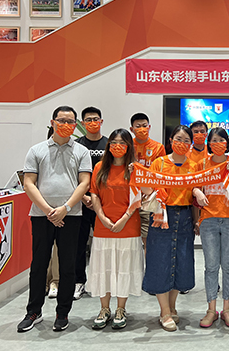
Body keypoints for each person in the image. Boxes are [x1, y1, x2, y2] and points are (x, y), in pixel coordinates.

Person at [17, 106, 92, 333]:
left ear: (75, 125)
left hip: (71, 216)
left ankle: (62, 313)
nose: (66, 125)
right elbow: (28, 183)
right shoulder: (36, 150)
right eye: (62, 121)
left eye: (71, 122)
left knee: (68, 266)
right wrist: (50, 210)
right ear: (53, 122)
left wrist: (65, 209)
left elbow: (84, 183)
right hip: (41, 216)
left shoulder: (81, 151)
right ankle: (34, 311)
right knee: (39, 264)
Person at [141, 125, 199, 332]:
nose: (182, 143)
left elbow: (194, 195)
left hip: (185, 217)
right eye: (178, 139)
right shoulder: (159, 163)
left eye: (186, 140)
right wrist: (137, 176)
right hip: (161, 216)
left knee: (180, 261)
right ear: (171, 140)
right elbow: (147, 189)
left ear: (191, 143)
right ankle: (164, 311)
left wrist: (196, 220)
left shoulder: (194, 166)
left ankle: (172, 306)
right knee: (160, 261)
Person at [86, 129, 143, 330]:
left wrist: (124, 219)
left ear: (129, 147)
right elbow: (94, 194)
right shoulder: (100, 167)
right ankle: (104, 309)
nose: (117, 146)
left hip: (128, 227)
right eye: (114, 142)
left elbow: (138, 198)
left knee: (123, 269)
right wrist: (102, 217)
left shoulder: (134, 169)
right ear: (108, 145)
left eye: (122, 143)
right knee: (104, 268)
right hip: (103, 227)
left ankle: (120, 309)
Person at [193, 127, 229, 328]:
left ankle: (227, 309)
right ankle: (211, 310)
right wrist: (197, 191)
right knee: (211, 266)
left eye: (221, 140)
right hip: (209, 220)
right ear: (209, 143)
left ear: (227, 143)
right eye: (214, 140)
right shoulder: (202, 163)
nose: (217, 144)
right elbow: (194, 185)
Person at [74, 107, 108, 300]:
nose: (92, 122)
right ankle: (79, 281)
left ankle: (104, 283)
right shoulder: (77, 145)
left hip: (103, 204)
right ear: (82, 123)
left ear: (101, 121)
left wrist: (97, 198)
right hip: (81, 203)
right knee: (79, 244)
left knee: (104, 245)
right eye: (88, 120)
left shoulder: (109, 144)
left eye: (96, 119)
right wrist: (83, 197)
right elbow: (72, 174)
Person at [129, 113, 166, 247]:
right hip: (129, 197)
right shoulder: (127, 146)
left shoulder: (158, 147)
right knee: (130, 236)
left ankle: (146, 261)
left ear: (149, 127)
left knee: (147, 237)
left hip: (149, 198)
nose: (142, 129)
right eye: (138, 126)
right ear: (131, 129)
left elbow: (161, 174)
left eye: (144, 126)